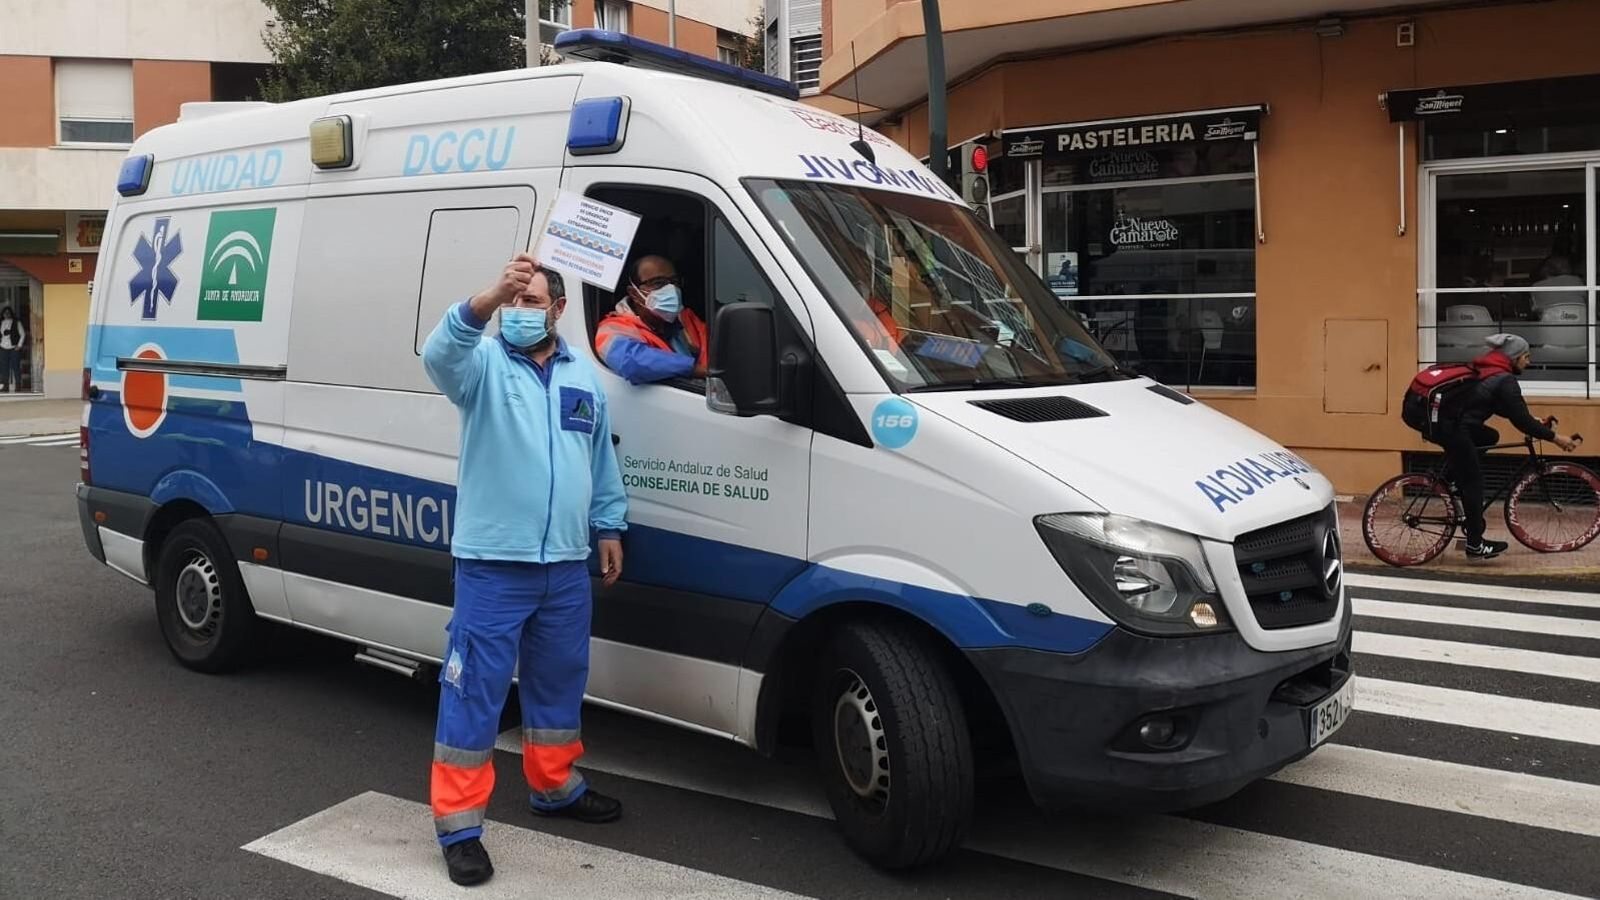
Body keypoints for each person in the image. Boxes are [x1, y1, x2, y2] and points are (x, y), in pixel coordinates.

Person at [421, 254, 629, 887]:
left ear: (558, 310)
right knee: (473, 693)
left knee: (559, 684)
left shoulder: (582, 377)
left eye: (531, 300)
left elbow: (598, 457)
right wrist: (487, 298)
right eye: (514, 299)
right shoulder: (481, 365)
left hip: (565, 566)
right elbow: (438, 354)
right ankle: (459, 825)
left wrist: (609, 524)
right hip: (493, 565)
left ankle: (555, 786)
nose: (519, 310)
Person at [1437, 333, 1579, 560]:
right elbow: (1519, 419)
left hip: (1446, 424)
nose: (1529, 362)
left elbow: (1507, 409)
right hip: (1454, 428)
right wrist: (1555, 438)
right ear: (1514, 357)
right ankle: (1475, 545)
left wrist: (1536, 423)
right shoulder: (1504, 379)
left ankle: (1447, 480)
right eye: (1526, 356)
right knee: (1474, 483)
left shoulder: (1487, 369)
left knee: (1489, 436)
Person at [594, 255, 708, 384]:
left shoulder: (685, 317)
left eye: (674, 282)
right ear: (634, 293)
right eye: (657, 283)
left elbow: (715, 347)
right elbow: (632, 362)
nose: (671, 289)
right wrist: (694, 369)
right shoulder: (611, 329)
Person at [0, 306, 24, 393]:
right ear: (2, 314)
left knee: (16, 367)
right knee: (4, 368)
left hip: (14, 348)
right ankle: (5, 386)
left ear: (11, 313)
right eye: (5, 312)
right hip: (3, 348)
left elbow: (23, 334)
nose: (6, 314)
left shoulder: (17, 322)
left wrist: (19, 345)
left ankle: (18, 386)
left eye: (8, 312)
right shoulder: (1, 323)